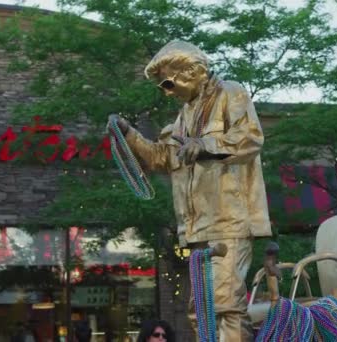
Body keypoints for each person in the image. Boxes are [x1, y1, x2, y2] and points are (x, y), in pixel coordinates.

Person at [109, 40, 271, 341]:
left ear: (194, 71)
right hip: (198, 230)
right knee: (201, 311)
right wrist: (129, 134)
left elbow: (250, 137)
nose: (167, 92)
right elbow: (163, 157)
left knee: (225, 307)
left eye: (169, 83)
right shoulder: (184, 116)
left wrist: (206, 145)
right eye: (162, 87)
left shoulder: (230, 93)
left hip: (229, 221)